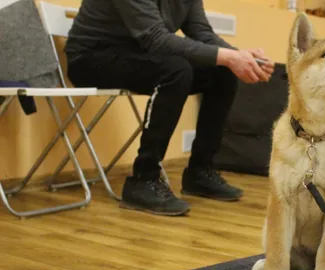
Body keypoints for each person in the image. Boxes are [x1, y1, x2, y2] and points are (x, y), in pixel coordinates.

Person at [64, 0, 275, 216]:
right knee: (176, 70)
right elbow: (155, 38)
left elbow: (202, 33)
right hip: (91, 57)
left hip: (139, 53)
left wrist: (241, 58)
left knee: (222, 72)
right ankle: (144, 179)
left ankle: (200, 171)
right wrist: (230, 57)